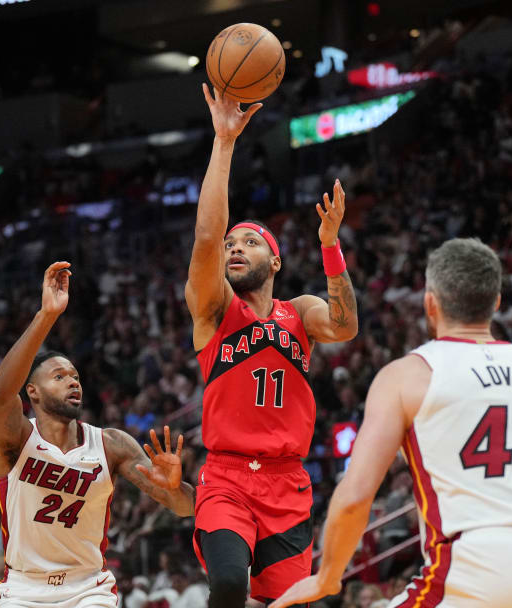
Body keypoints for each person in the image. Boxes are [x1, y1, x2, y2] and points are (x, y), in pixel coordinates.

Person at [270, 238, 512, 608]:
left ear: (430, 304)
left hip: (481, 564)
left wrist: (326, 578)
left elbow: (354, 498)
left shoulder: (408, 375)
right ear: (497, 303)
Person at [187, 84, 359, 607]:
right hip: (227, 477)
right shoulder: (214, 309)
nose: (237, 248)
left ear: (276, 261)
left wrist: (330, 247)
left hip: (287, 482)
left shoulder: (300, 312)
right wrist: (224, 142)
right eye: (234, 244)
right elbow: (208, 238)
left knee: (297, 602)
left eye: (252, 242)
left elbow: (345, 325)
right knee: (230, 584)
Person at [0, 261, 195, 608]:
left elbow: (184, 508)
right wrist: (46, 316)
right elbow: (0, 396)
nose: (73, 381)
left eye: (76, 376)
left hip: (88, 589)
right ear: (32, 391)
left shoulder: (111, 445)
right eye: (60, 376)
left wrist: (174, 488)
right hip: (24, 589)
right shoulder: (17, 440)